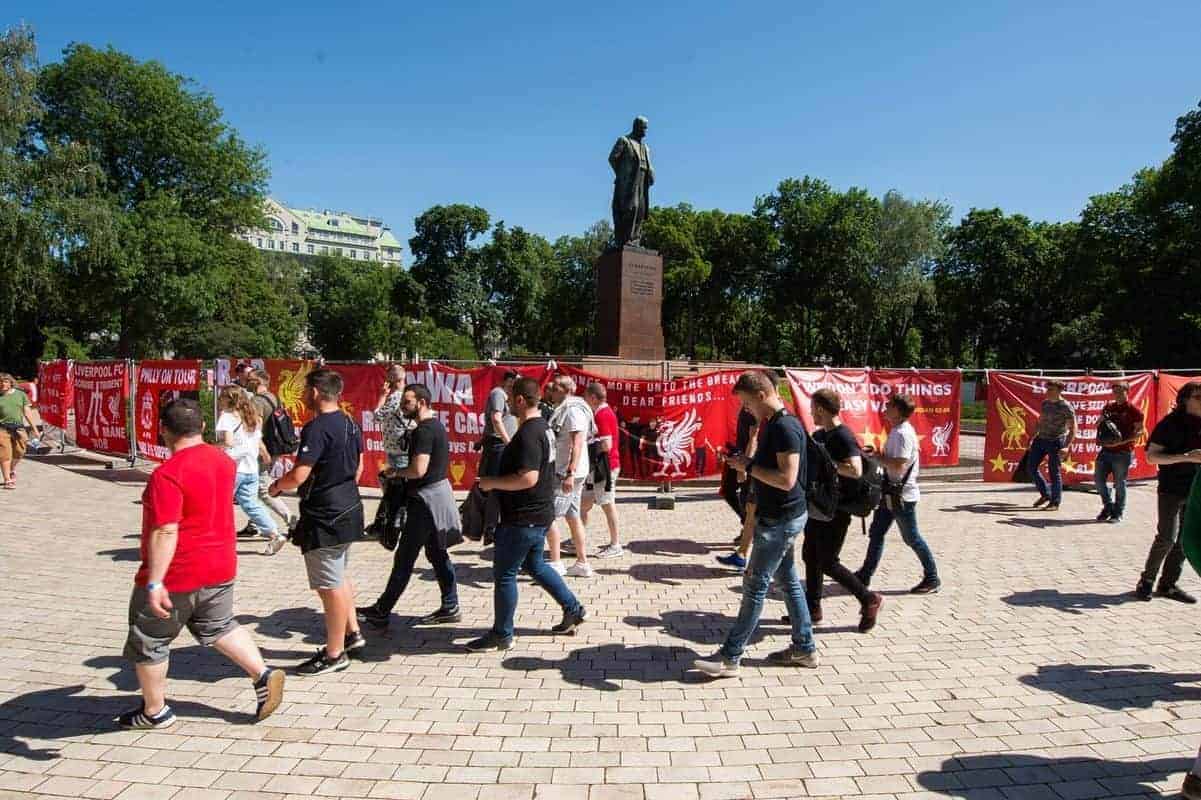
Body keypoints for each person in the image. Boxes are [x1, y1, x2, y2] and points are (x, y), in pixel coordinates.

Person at [119, 398, 284, 729]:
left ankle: (154, 711)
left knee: (149, 640)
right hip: (221, 564)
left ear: (162, 431)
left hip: (180, 572)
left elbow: (166, 529)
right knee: (218, 625)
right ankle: (262, 675)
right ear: (203, 427)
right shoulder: (223, 462)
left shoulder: (167, 475)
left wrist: (155, 581)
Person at [693, 371, 818, 678]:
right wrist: (745, 464)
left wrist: (748, 466)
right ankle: (804, 647)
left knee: (754, 586)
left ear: (761, 396)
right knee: (788, 582)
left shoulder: (784, 428)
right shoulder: (774, 424)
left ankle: (730, 657)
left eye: (747, 403)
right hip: (779, 517)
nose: (746, 409)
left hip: (780, 520)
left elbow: (787, 479)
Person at [467, 377, 587, 652]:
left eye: (510, 398)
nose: (507, 402)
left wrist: (491, 482)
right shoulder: (542, 428)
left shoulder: (530, 433)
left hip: (524, 517)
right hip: (538, 513)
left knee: (505, 574)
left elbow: (528, 477)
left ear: (520, 400)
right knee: (535, 566)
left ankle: (502, 633)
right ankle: (574, 609)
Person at [269, 368, 367, 675]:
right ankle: (352, 634)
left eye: (306, 389)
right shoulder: (351, 423)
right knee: (339, 575)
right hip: (349, 508)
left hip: (325, 516)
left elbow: (300, 474)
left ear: (315, 392)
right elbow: (360, 467)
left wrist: (275, 486)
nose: (303, 395)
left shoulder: (317, 428)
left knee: (329, 586)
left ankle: (334, 653)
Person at [357, 383, 461, 628]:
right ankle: (450, 605)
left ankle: (382, 610)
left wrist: (395, 472)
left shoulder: (425, 430)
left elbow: (418, 469)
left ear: (421, 403)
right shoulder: (433, 426)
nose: (403, 406)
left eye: (407, 402)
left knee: (405, 556)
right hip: (434, 497)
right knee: (436, 553)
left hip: (425, 501)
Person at [802, 390, 884, 632]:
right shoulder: (821, 434)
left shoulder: (842, 436)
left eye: (812, 408)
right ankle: (812, 608)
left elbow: (855, 470)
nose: (810, 412)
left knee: (828, 561)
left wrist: (828, 465)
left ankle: (869, 598)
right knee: (810, 556)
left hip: (838, 509)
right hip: (821, 504)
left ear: (820, 409)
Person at [854, 394, 941, 594]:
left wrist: (876, 456)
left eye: (889, 405)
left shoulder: (902, 434)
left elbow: (898, 464)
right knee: (877, 532)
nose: (885, 407)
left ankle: (932, 577)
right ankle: (865, 574)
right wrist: (877, 455)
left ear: (898, 411)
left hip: (901, 495)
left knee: (912, 538)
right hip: (891, 492)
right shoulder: (897, 431)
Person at [1136, 381, 1201, 603]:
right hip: (1172, 489)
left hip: (1196, 491)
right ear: (1185, 400)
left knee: (1186, 539)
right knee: (1166, 538)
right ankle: (1146, 581)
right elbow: (1151, 456)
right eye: (1198, 397)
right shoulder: (1171, 424)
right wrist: (1185, 457)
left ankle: (1168, 584)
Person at [214, 386, 285, 555]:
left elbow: (229, 443)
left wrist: (212, 448)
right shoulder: (252, 416)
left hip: (233, 468)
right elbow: (259, 442)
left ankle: (218, 539)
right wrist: (265, 455)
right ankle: (274, 533)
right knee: (252, 504)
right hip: (251, 469)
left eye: (221, 398)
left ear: (227, 400)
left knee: (220, 504)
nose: (219, 401)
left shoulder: (227, 417)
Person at [544, 375, 594, 577]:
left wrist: (570, 473)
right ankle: (582, 563)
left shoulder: (573, 411)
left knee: (549, 516)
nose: (551, 391)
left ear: (565, 390)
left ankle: (555, 563)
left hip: (568, 472)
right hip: (569, 470)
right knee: (573, 516)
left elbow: (578, 442)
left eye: (555, 388)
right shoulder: (567, 407)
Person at [368, 364, 412, 539]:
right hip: (398, 449)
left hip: (397, 450)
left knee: (397, 489)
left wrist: (381, 396)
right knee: (395, 487)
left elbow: (376, 415)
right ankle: (388, 522)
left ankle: (395, 524)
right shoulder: (406, 396)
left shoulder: (395, 398)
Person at [246, 370, 294, 531]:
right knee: (255, 486)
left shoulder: (257, 401)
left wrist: (260, 448)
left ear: (259, 381)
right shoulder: (274, 397)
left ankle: (292, 521)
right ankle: (253, 525)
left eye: (250, 379)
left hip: (264, 449)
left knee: (262, 489)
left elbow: (257, 427)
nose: (247, 381)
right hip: (275, 447)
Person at [580, 381, 623, 559]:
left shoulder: (602, 415)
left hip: (605, 467)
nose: (584, 400)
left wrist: (585, 447)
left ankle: (615, 544)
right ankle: (578, 538)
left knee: (607, 504)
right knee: (582, 503)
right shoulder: (601, 412)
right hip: (599, 467)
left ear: (592, 397)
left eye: (585, 397)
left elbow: (606, 444)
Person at [716, 407, 760, 571]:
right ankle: (742, 554)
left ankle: (745, 557)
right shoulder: (746, 407)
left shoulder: (755, 410)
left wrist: (744, 468)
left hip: (749, 462)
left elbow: (753, 439)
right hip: (740, 456)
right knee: (732, 494)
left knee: (751, 507)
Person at [1094, 381, 1145, 523]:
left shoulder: (1134, 411)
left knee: (1119, 483)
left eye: (1120, 391)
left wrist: (1121, 442)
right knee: (1098, 481)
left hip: (1123, 452)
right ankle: (1108, 506)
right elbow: (1099, 425)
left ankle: (1118, 512)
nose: (1116, 394)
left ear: (1127, 392)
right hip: (1105, 450)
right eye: (1114, 391)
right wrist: (1100, 425)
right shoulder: (1108, 407)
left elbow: (1140, 431)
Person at [480, 370, 519, 542]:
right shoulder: (499, 393)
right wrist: (508, 442)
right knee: (496, 486)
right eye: (512, 382)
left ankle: (496, 525)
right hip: (499, 446)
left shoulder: (509, 397)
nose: (514, 385)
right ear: (507, 381)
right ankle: (491, 528)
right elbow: (496, 419)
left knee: (502, 485)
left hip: (501, 445)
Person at [1028, 380, 1077, 511]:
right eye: (1047, 389)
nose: (1048, 392)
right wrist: (1032, 436)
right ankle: (1045, 494)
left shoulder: (1066, 406)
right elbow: (1040, 421)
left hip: (1056, 441)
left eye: (1051, 390)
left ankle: (1055, 502)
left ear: (1059, 391)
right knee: (1031, 467)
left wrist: (1067, 446)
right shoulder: (1045, 403)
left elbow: (1073, 428)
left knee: (1054, 472)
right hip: (1041, 439)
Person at [0, 372, 40, 490]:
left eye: (5, 381)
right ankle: (7, 479)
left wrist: (34, 428)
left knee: (20, 452)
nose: (3, 384)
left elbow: (27, 412)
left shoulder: (20, 395)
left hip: (18, 428)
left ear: (10, 382)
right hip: (2, 428)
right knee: (4, 454)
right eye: (1, 382)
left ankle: (12, 469)